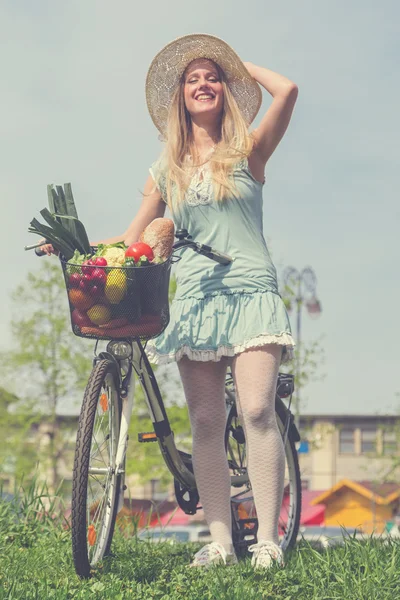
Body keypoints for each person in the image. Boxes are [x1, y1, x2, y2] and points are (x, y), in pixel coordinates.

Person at [41, 33, 298, 570]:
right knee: (205, 422)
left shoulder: (249, 148)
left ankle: (269, 542)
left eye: (211, 78)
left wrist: (235, 65)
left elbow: (288, 89)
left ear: (225, 90)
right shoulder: (167, 169)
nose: (202, 84)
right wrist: (75, 244)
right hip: (197, 301)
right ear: (180, 98)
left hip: (251, 291)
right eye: (192, 79)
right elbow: (133, 238)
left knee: (254, 409)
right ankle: (222, 544)